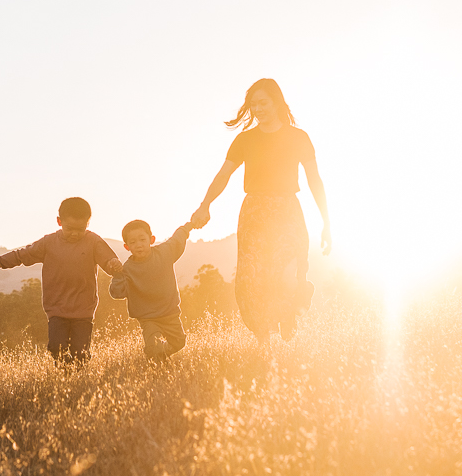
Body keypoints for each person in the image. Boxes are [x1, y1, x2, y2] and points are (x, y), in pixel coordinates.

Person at [190, 78, 331, 344]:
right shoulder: (245, 140)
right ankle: (264, 342)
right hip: (255, 212)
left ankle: (292, 311)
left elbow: (315, 180)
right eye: (253, 104)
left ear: (276, 101)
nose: (258, 108)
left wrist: (327, 222)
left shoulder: (298, 137)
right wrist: (205, 205)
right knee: (254, 279)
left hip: (287, 209)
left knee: (289, 273)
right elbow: (223, 175)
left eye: (263, 102)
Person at [0, 196, 123, 362]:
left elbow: (108, 261)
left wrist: (113, 264)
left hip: (84, 310)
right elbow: (21, 255)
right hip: (56, 309)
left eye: (80, 229)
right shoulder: (48, 243)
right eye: (70, 228)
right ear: (59, 221)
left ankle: (77, 380)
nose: (75, 233)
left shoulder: (93, 241)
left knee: (80, 352)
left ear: (88, 224)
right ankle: (67, 376)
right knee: (55, 348)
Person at [110, 217, 193, 360]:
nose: (139, 245)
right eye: (133, 242)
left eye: (142, 240)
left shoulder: (164, 253)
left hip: (170, 313)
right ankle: (156, 359)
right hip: (148, 318)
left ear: (151, 239)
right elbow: (117, 293)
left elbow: (176, 240)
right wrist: (117, 275)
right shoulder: (128, 269)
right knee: (154, 344)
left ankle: (159, 355)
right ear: (126, 247)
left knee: (179, 342)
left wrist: (187, 227)